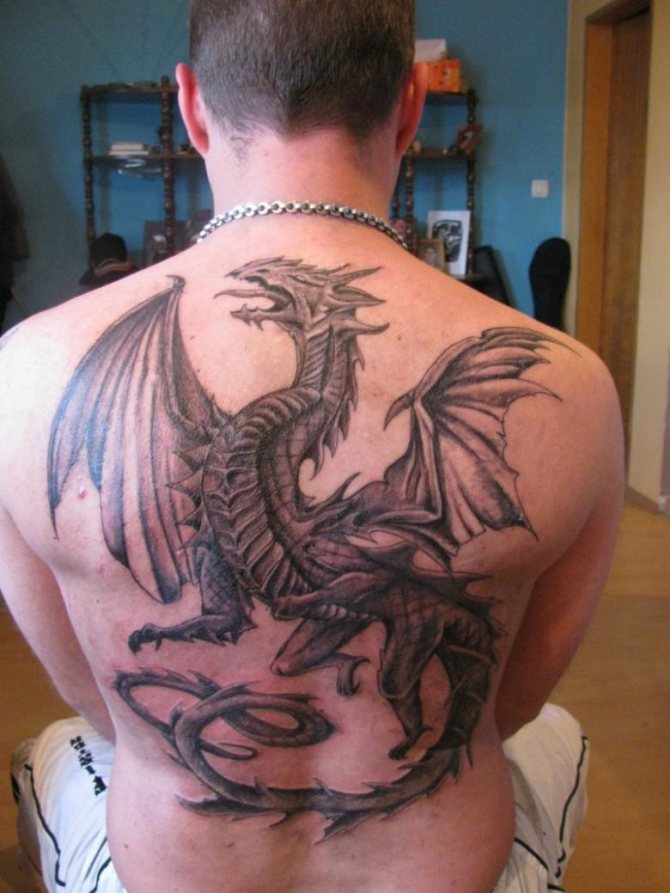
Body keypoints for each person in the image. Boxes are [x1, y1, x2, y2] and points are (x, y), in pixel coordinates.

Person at [0, 2, 623, 891]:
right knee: (561, 736)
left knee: (51, 753)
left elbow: (96, 706)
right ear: (410, 106)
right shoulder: (575, 384)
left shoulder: (27, 370)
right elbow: (509, 707)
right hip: (444, 869)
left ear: (192, 106)